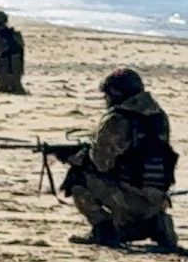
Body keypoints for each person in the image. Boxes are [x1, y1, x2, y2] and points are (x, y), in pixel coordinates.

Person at [62, 67, 177, 249]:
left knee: (77, 177)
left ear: (116, 93)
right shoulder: (157, 116)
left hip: (130, 196)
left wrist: (75, 157)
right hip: (157, 197)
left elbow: (100, 163)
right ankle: (155, 223)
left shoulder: (118, 118)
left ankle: (103, 230)